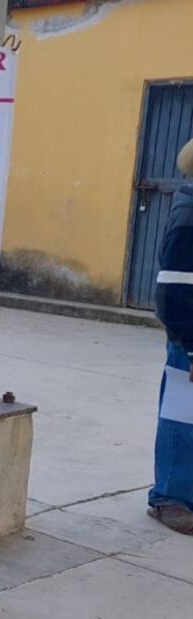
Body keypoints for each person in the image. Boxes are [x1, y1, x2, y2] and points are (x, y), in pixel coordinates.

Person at [149, 137, 193, 534]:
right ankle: (170, 497)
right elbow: (173, 290)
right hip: (189, 335)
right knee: (183, 416)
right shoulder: (189, 214)